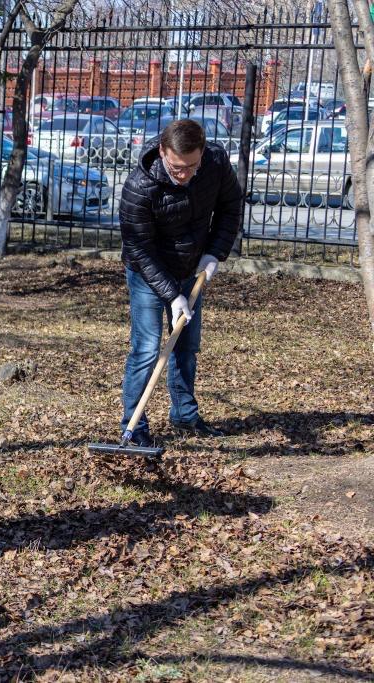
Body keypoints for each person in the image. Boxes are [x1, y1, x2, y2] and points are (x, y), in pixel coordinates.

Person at [118, 118, 243, 446]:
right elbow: (140, 250)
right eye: (176, 168)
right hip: (148, 274)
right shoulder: (139, 187)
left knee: (186, 345)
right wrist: (174, 297)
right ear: (162, 151)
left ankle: (185, 415)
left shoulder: (215, 164)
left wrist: (214, 253)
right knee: (146, 348)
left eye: (191, 167)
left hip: (191, 269)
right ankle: (134, 427)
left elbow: (231, 205)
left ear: (203, 154)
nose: (184, 174)